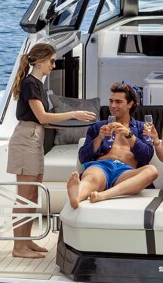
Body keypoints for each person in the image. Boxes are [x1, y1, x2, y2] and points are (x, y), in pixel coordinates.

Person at [7, 43, 97, 257]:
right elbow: (42, 118)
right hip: (26, 140)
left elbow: (45, 123)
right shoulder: (31, 83)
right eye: (51, 61)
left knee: (33, 193)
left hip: (34, 138)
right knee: (24, 196)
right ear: (39, 62)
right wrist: (74, 113)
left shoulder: (37, 83)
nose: (53, 66)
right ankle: (18, 247)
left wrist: (79, 123)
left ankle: (26, 241)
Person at [68, 82, 159, 207]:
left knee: (152, 171)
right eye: (111, 101)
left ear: (130, 104)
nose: (112, 105)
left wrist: (129, 135)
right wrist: (99, 138)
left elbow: (146, 156)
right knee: (90, 178)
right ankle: (76, 196)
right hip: (101, 168)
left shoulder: (143, 127)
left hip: (125, 173)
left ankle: (105, 195)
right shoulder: (97, 127)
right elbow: (83, 158)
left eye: (118, 102)